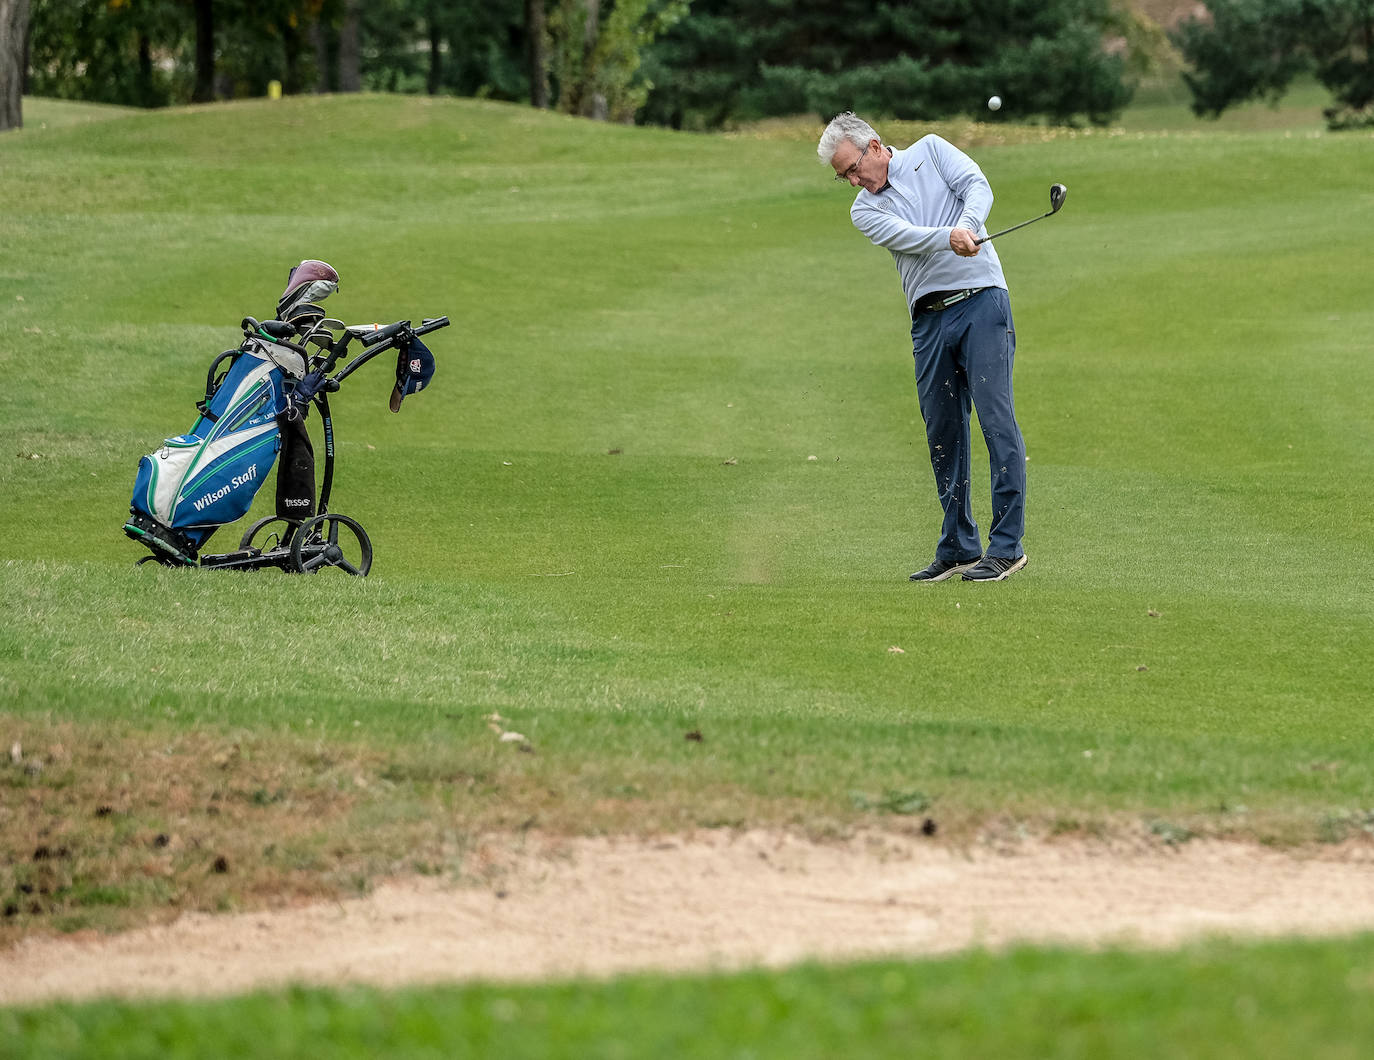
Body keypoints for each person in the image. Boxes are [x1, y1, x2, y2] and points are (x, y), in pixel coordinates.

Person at [818, 112, 1028, 582]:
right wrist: (949, 236)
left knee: (997, 421)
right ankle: (958, 545)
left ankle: (1007, 546)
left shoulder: (931, 151)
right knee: (943, 434)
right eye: (843, 177)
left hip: (982, 303)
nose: (853, 180)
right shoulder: (864, 210)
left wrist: (970, 222)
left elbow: (978, 186)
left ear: (873, 146)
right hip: (929, 320)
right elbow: (910, 241)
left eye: (853, 168)